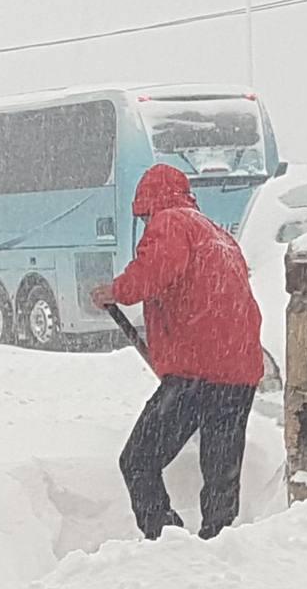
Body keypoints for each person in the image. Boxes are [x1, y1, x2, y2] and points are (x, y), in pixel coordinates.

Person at [91, 163, 263, 540]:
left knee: (138, 461)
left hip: (197, 373)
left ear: (150, 201)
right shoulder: (218, 234)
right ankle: (221, 545)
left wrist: (115, 291)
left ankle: (165, 541)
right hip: (238, 373)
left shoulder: (171, 222)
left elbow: (155, 270)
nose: (147, 219)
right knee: (221, 474)